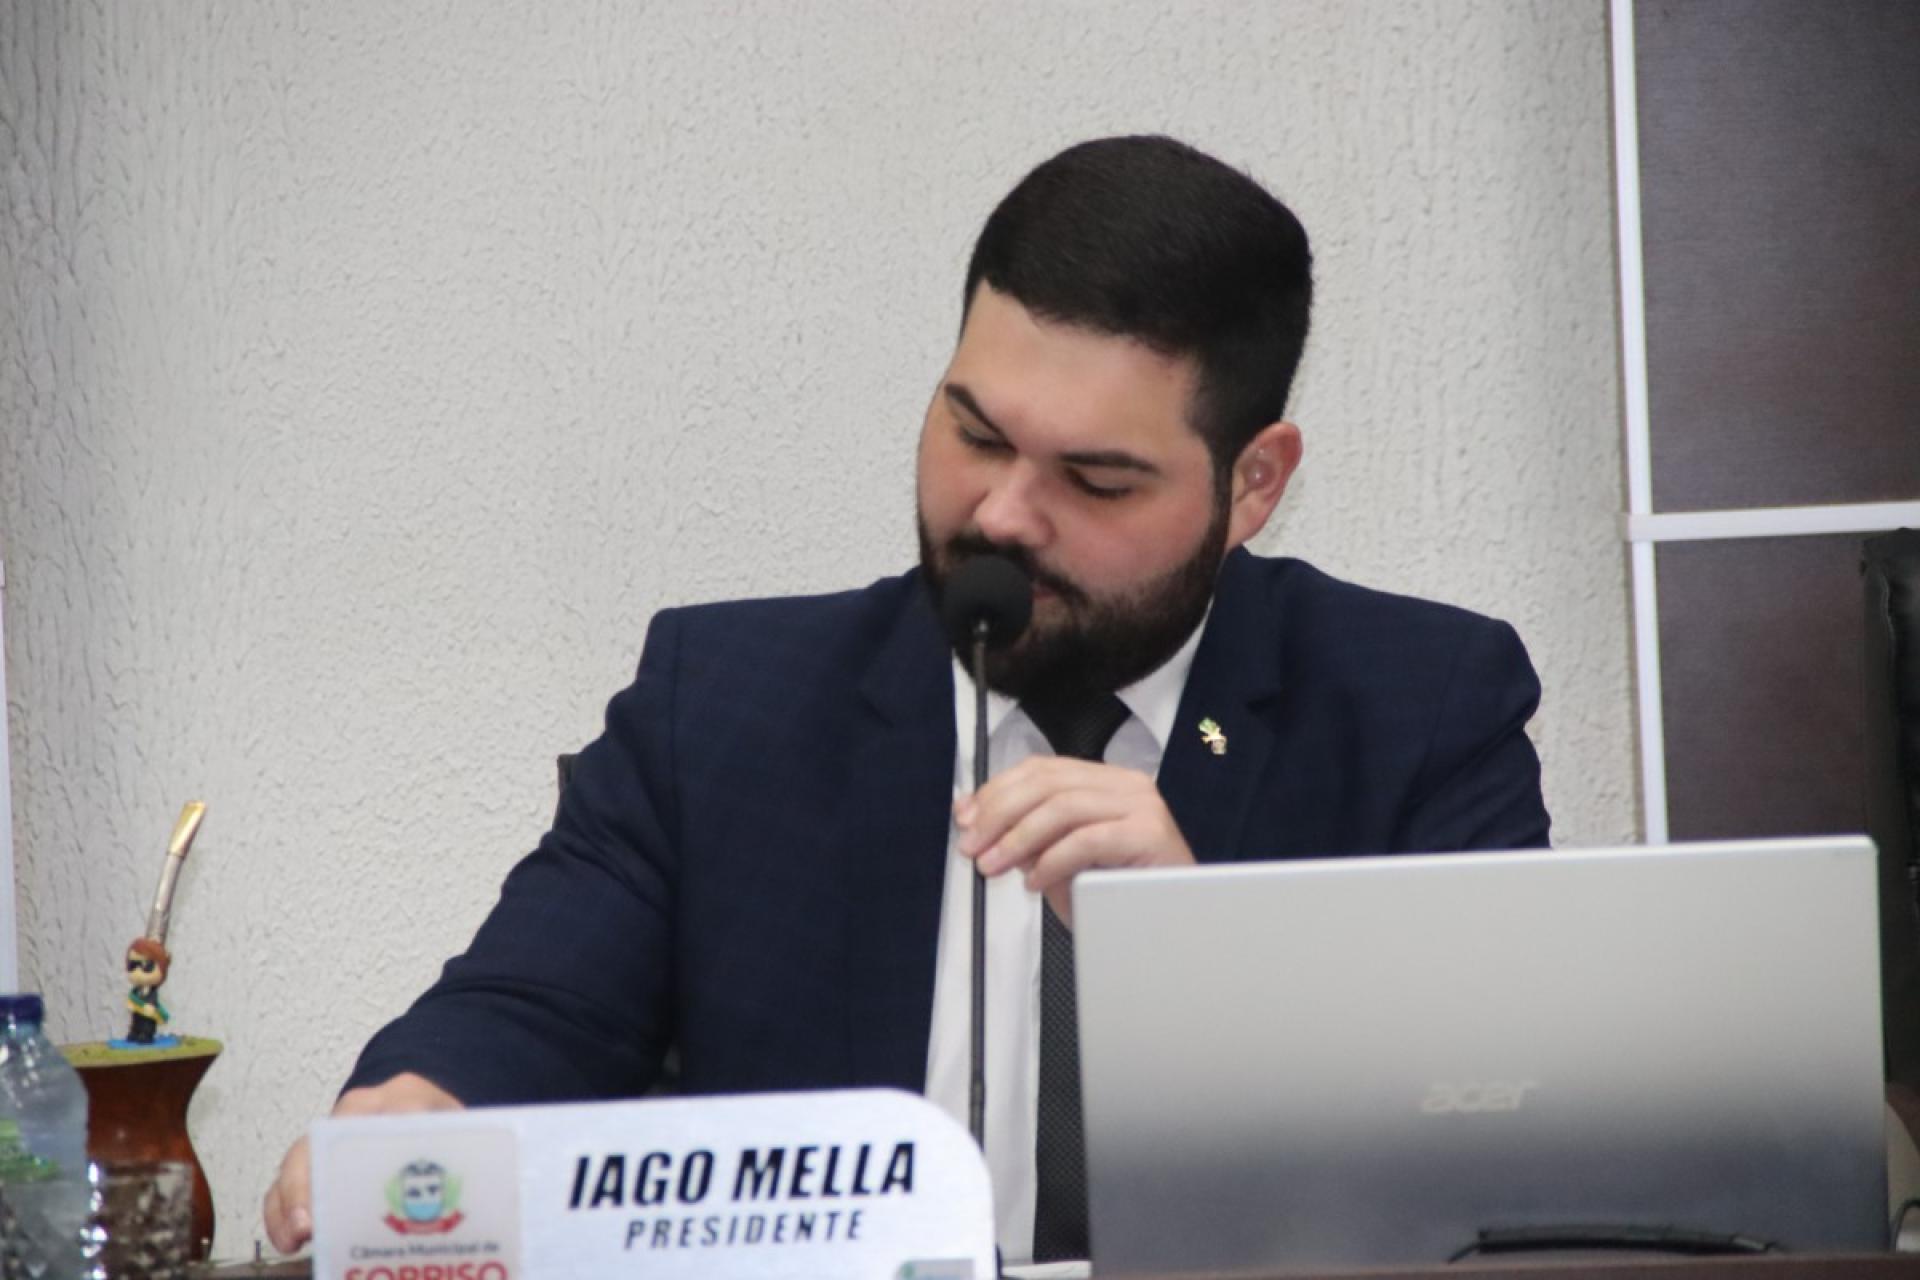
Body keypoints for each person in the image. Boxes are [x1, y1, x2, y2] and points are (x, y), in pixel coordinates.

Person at [263, 135, 1550, 1262]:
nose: (1002, 514)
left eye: (1095, 480)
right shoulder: (722, 707)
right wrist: (424, 1106)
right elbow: (530, 1009)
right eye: (975, 434)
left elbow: (1505, 1131)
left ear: (1253, 483)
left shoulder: (1420, 706)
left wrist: (1204, 958)